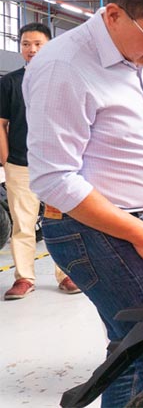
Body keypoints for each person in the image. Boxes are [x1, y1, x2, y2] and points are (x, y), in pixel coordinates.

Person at [22, 0, 143, 407]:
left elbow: (142, 145)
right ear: (115, 13)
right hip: (92, 230)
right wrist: (140, 232)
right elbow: (55, 179)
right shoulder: (65, 67)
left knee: (129, 350)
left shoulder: (134, 55)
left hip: (129, 224)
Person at [1, 23, 80, 299]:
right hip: (21, 165)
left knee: (59, 223)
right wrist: (6, 160)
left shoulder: (64, 79)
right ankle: (24, 278)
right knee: (23, 224)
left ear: (49, 45)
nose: (31, 49)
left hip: (57, 166)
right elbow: (1, 123)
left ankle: (67, 273)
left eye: (37, 43)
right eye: (25, 44)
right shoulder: (9, 82)